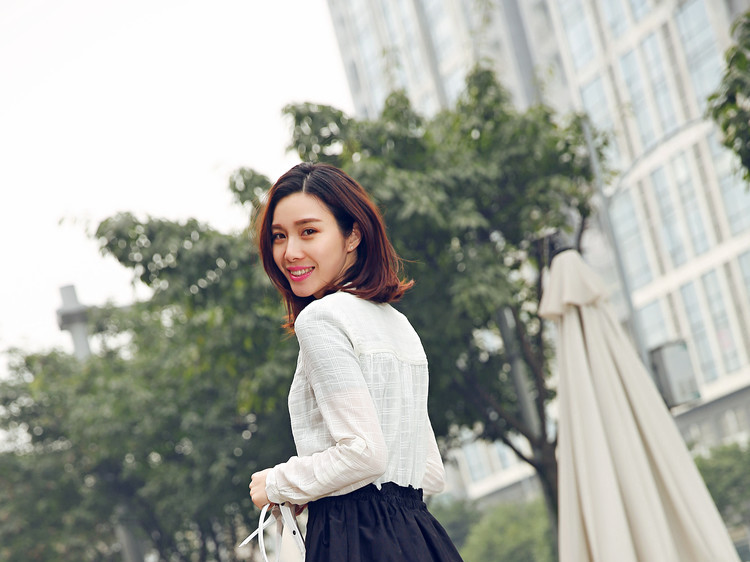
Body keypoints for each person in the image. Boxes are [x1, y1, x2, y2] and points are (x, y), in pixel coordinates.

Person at [249, 162, 464, 561]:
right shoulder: (398, 325)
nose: (290, 252)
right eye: (279, 236)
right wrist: (320, 484)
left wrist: (277, 482)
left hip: (354, 540)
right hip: (421, 537)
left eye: (308, 231)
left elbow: (364, 453)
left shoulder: (320, 319)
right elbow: (430, 472)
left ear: (353, 235)